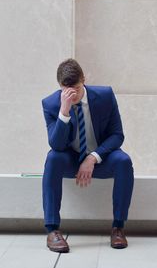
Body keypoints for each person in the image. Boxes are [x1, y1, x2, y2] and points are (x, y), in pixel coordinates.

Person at [42, 58, 134, 253]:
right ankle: (52, 230)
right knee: (52, 158)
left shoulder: (105, 96)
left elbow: (117, 135)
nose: (72, 94)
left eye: (75, 87)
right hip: (70, 158)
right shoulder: (50, 104)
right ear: (60, 86)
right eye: (67, 89)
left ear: (83, 79)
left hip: (100, 158)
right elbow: (57, 145)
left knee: (124, 161)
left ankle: (118, 227)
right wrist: (64, 111)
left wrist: (92, 158)